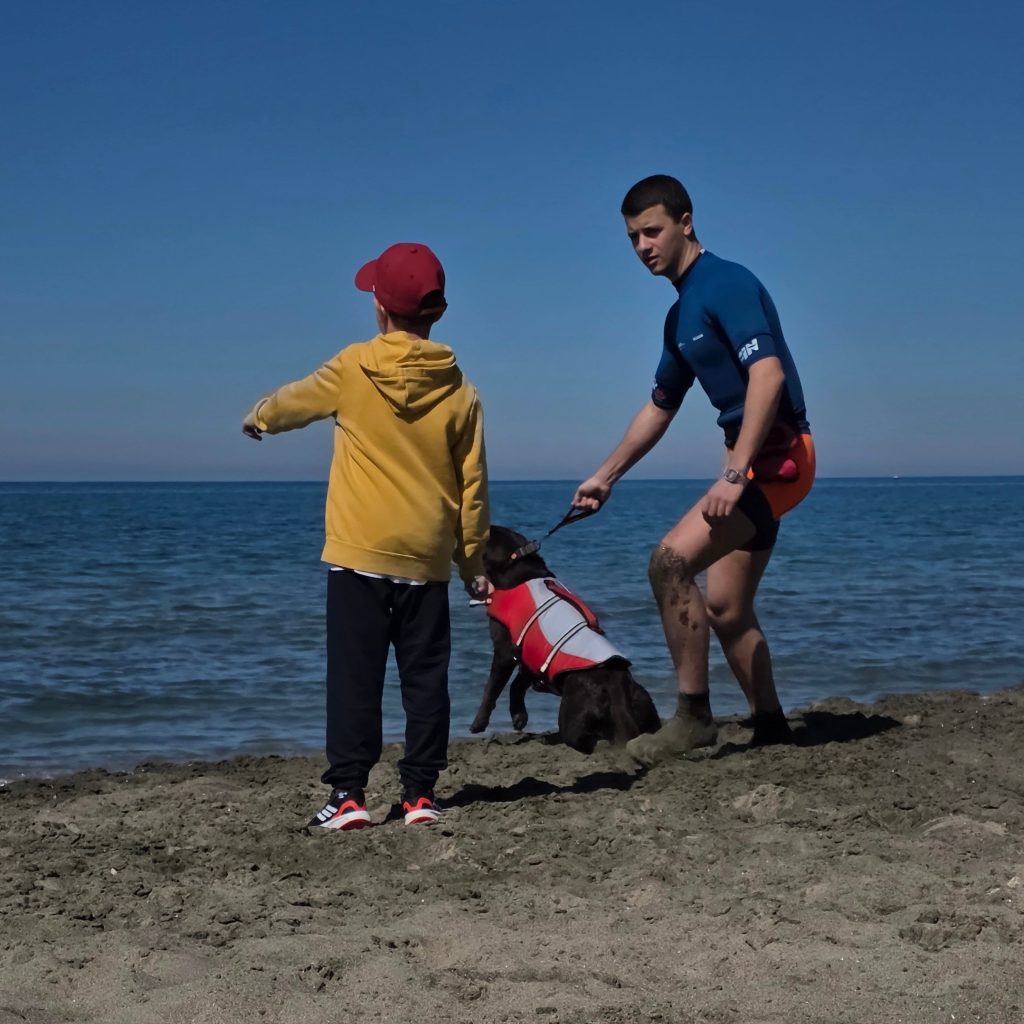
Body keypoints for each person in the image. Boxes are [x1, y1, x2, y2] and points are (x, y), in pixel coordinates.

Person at [242, 242, 490, 827]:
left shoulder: (353, 366)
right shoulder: (461, 390)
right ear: (438, 311)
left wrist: (260, 416)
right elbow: (472, 486)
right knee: (425, 681)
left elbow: (296, 401)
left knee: (355, 679)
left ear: (379, 307)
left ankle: (348, 795)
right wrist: (471, 562)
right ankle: (420, 795)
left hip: (358, 557)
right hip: (426, 561)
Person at [572, 175, 815, 763]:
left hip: (779, 461)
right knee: (728, 609)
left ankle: (693, 719)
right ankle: (772, 726)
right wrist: (606, 475)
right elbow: (660, 407)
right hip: (750, 461)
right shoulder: (679, 316)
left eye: (651, 231)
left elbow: (768, 376)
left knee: (669, 562)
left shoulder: (726, 283)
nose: (641, 246)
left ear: (685, 223)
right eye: (632, 237)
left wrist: (734, 475)